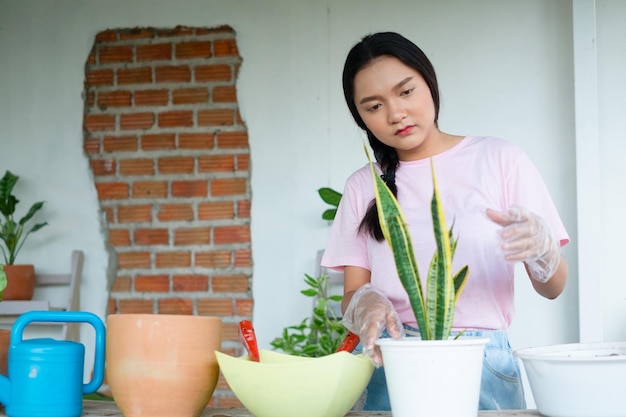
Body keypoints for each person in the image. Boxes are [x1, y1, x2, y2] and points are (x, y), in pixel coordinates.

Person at [321, 31, 569, 411]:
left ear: (429, 83)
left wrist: (543, 252)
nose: (395, 114)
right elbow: (352, 295)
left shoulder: (500, 159)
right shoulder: (363, 186)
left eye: (406, 92)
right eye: (373, 106)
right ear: (361, 118)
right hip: (393, 362)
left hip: (483, 362)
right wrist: (365, 305)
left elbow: (553, 288)